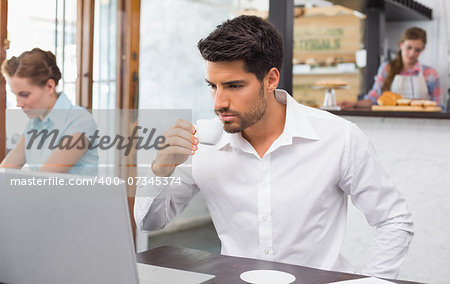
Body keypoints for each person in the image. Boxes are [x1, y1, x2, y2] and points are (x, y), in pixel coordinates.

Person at [134, 15, 413, 278]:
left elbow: (393, 219)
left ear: (270, 80)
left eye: (233, 86)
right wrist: (161, 168)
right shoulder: (203, 143)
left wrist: (374, 281)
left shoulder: (338, 137)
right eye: (213, 86)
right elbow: (149, 223)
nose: (219, 102)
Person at [0, 48, 98, 176]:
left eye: (24, 94)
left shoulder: (79, 120)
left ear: (50, 86)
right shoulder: (34, 124)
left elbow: (44, 181)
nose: (19, 104)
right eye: (16, 95)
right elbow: (5, 172)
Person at [341, 27, 441, 109]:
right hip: (392, 124)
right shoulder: (387, 68)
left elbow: (438, 105)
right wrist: (354, 104)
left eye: (417, 50)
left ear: (423, 49)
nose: (412, 53)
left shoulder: (430, 73)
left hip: (424, 125)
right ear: (401, 45)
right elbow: (374, 98)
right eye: (409, 48)